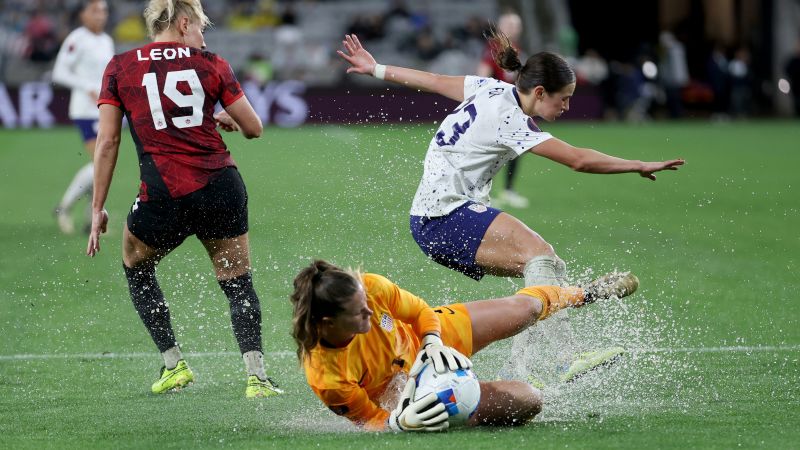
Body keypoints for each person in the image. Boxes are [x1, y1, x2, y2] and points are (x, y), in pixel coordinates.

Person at [337, 33, 684, 384]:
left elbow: (435, 81)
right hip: (443, 215)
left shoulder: (489, 88)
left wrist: (376, 68)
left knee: (545, 270)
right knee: (541, 257)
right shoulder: (511, 119)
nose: (566, 107)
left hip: (433, 218)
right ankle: (568, 356)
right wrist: (637, 164)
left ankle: (517, 370)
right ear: (539, 93)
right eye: (563, 99)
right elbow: (578, 160)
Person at [86, 0, 281, 398]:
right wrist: (220, 118)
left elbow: (107, 141)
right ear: (185, 22)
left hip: (163, 194)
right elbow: (254, 129)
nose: (202, 37)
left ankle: (174, 364)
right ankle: (257, 377)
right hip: (220, 187)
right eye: (201, 28)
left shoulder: (121, 66)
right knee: (237, 279)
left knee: (135, 263)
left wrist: (96, 208)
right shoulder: (211, 63)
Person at [290, 260, 639, 431]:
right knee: (528, 400)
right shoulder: (326, 376)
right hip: (414, 393)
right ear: (327, 324)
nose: (369, 310)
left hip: (431, 341)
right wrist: (401, 422)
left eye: (366, 303)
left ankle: (585, 293)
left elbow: (421, 312)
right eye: (358, 313)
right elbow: (370, 420)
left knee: (525, 309)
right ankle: (527, 392)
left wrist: (431, 342)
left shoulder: (370, 287)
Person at [52, 0, 114, 234]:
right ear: (83, 15)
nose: (101, 16)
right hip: (85, 110)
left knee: (101, 164)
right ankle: (66, 207)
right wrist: (87, 86)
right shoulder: (76, 39)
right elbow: (60, 72)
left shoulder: (106, 40)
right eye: (95, 11)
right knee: (101, 162)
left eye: (104, 11)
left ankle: (91, 218)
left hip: (103, 109)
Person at [477, 11, 528, 208]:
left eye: (515, 24)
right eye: (508, 24)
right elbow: (482, 73)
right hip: (496, 108)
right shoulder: (494, 48)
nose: (511, 28)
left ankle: (506, 191)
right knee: (495, 150)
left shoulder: (516, 48)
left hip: (512, 108)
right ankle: (481, 192)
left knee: (514, 149)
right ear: (499, 27)